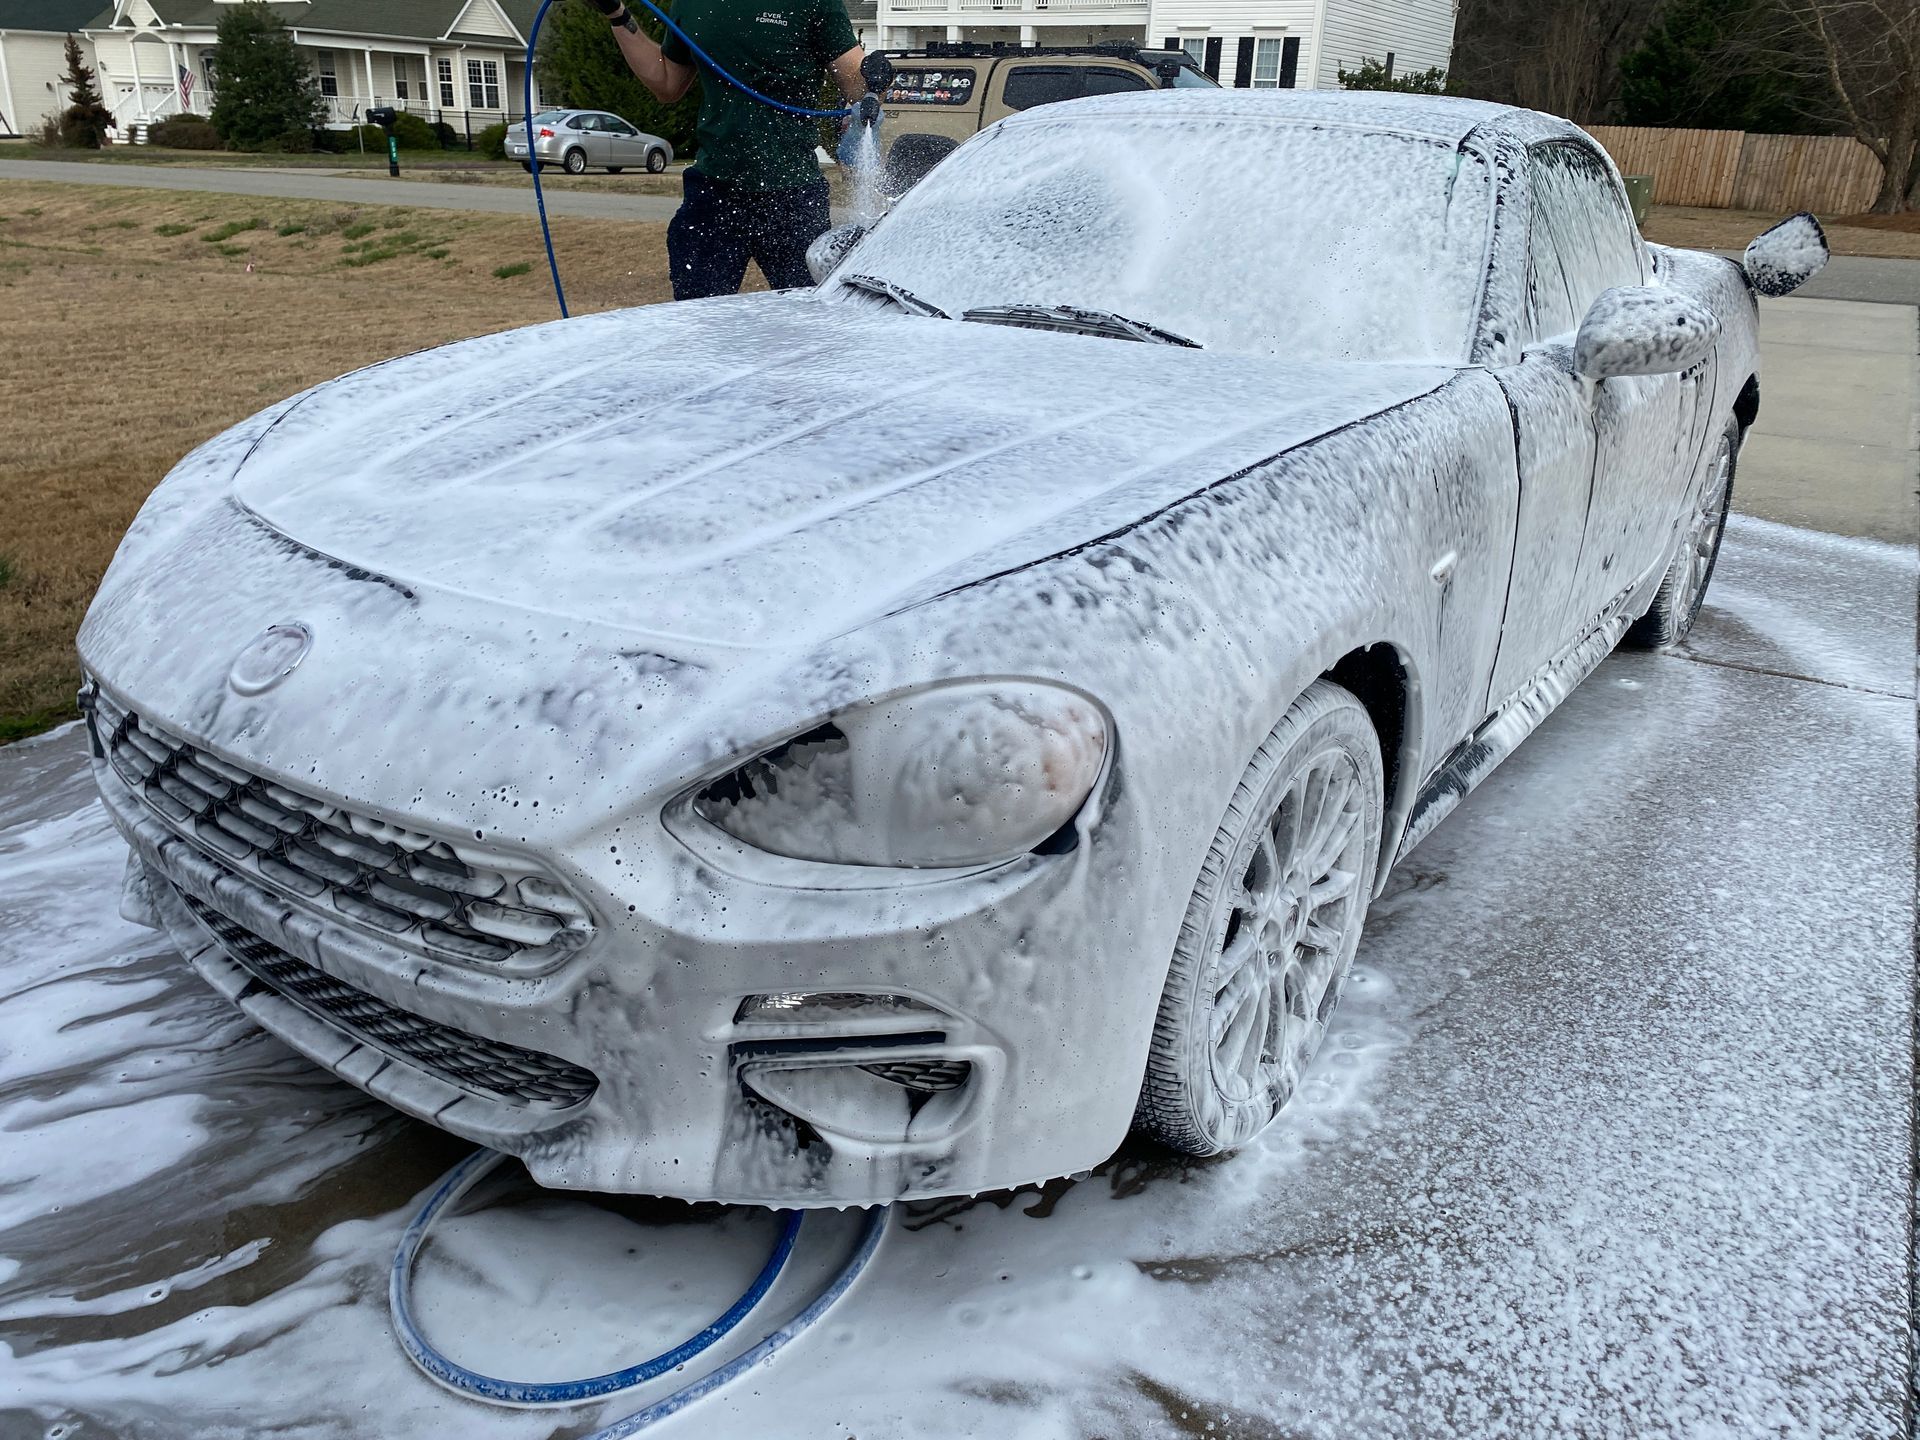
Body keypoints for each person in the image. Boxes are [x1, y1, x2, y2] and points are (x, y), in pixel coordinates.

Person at [586, 0, 874, 300]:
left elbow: (856, 83)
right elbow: (667, 83)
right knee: (697, 320)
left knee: (809, 323)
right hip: (713, 192)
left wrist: (874, 81)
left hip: (792, 194)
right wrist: (617, 15)